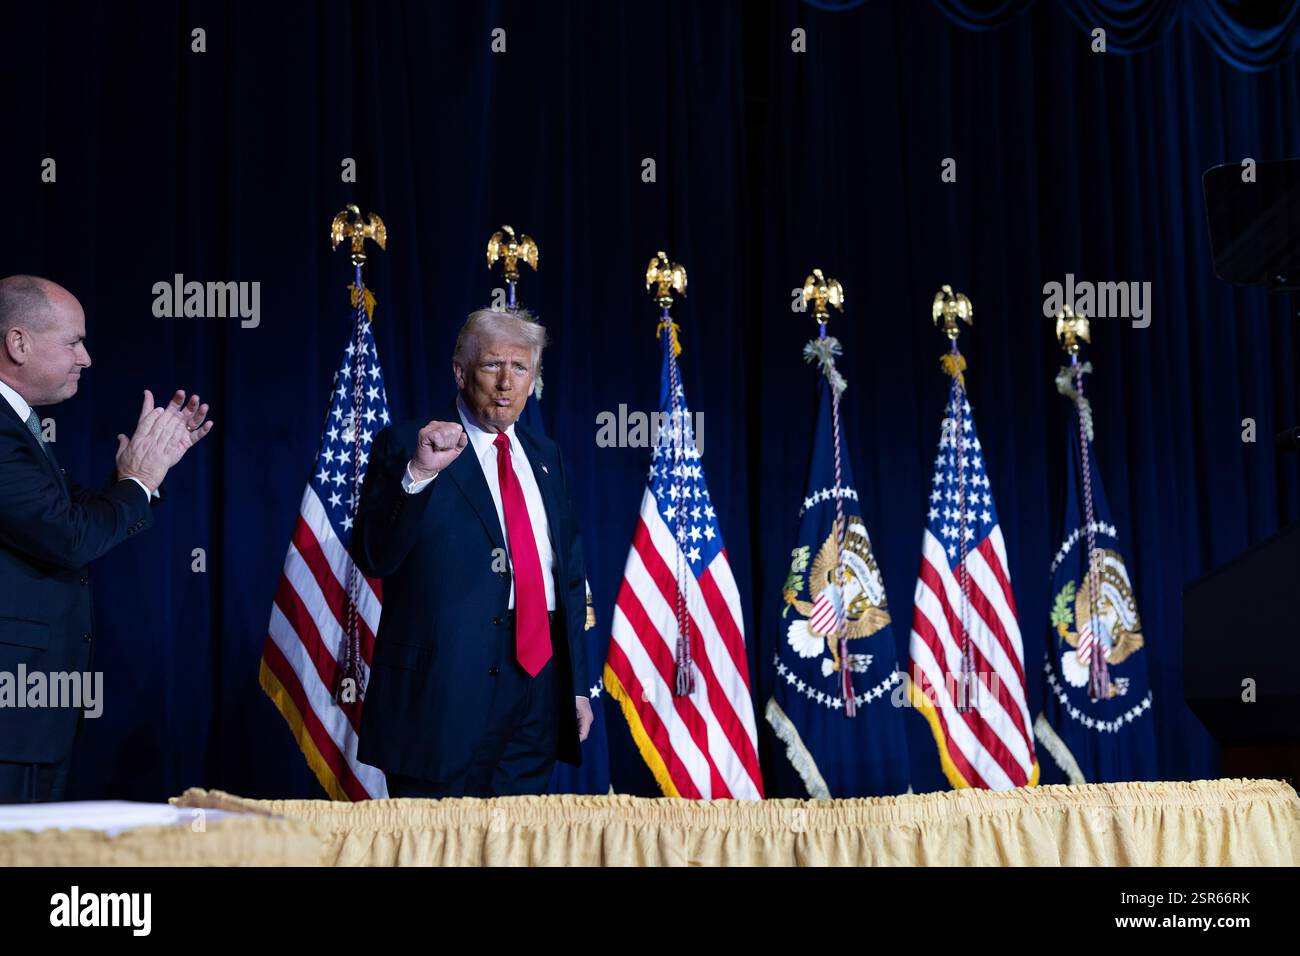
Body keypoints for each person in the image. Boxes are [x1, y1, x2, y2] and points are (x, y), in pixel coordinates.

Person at [355, 308, 592, 797]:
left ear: (533, 379)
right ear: (460, 372)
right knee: (434, 848)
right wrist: (418, 475)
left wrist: (576, 684)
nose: (507, 382)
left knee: (516, 846)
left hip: (537, 690)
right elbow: (375, 556)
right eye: (491, 366)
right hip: (441, 694)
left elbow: (566, 575)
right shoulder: (409, 444)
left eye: (521, 368)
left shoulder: (547, 456)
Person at [0, 275, 213, 802]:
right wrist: (137, 481)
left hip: (30, 718)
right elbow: (69, 536)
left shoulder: (18, 426)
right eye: (74, 342)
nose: (87, 358)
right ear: (18, 343)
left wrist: (141, 480)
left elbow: (70, 516)